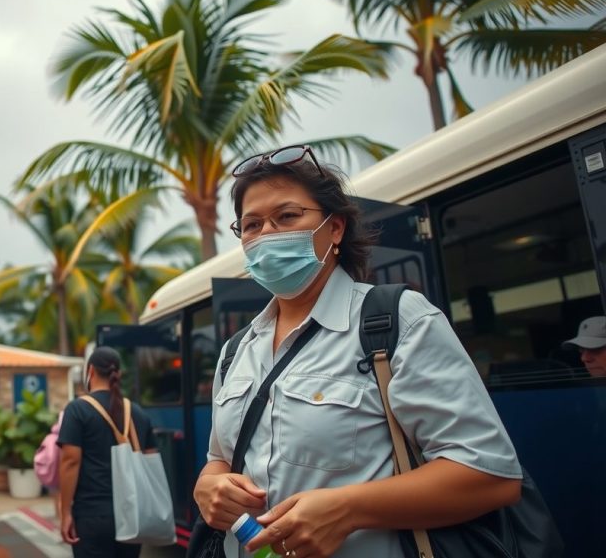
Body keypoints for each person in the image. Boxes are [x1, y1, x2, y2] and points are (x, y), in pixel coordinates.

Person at [193, 146, 523, 557]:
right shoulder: (234, 351)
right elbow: (219, 459)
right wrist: (208, 485)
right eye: (251, 224)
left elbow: (491, 475)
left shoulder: (398, 320)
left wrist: (349, 509)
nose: (267, 235)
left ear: (335, 229)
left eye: (288, 216)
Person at [58, 347, 156, 558]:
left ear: (90, 371)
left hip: (92, 515)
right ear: (118, 374)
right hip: (132, 513)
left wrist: (65, 512)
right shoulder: (137, 413)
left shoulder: (77, 410)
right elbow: (150, 462)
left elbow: (70, 462)